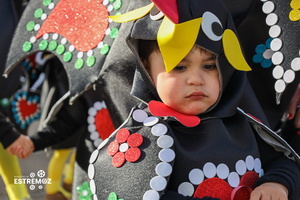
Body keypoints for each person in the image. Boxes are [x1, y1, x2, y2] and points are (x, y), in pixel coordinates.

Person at [88, 0, 300, 200]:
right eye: (179, 67)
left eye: (209, 66)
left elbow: (283, 162)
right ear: (147, 68)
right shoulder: (141, 139)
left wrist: (277, 184)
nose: (196, 80)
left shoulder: (243, 124)